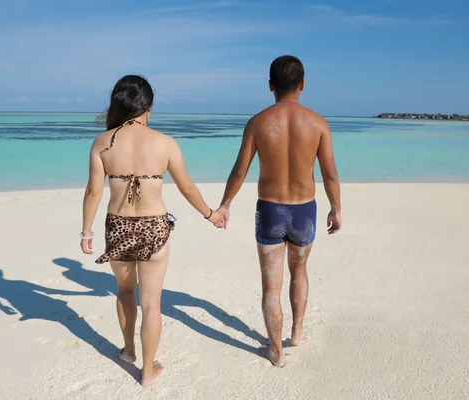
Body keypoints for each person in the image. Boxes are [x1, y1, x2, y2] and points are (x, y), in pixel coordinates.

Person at [80, 75, 224, 386]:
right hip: (154, 227)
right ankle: (146, 372)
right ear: (147, 107)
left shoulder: (103, 143)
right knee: (152, 304)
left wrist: (86, 232)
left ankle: (129, 351)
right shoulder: (165, 143)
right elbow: (186, 188)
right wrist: (210, 214)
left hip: (117, 226)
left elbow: (93, 192)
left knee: (125, 291)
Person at [216, 55, 342, 367]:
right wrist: (336, 208)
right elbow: (330, 174)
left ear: (270, 86)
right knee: (299, 270)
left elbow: (239, 171)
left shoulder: (258, 122)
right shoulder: (318, 123)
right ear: (302, 85)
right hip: (304, 212)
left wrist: (225, 205)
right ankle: (297, 333)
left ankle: (276, 351)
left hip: (270, 211)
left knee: (270, 284)